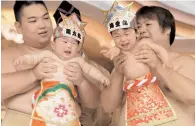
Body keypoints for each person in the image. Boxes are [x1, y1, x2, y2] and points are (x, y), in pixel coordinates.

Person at [2, 1, 105, 126]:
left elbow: (94, 102)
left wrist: (81, 81)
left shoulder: (71, 55)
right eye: (33, 21)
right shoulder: (7, 55)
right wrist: (33, 74)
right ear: (18, 27)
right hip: (22, 120)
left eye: (46, 18)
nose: (42, 25)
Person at [101, 3, 195, 126]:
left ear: (167, 29)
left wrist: (159, 66)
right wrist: (118, 73)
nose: (141, 30)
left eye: (148, 24)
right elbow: (108, 107)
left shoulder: (183, 61)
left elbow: (192, 96)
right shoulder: (125, 64)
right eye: (138, 26)